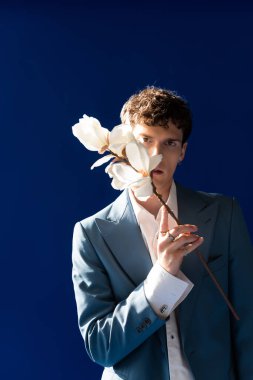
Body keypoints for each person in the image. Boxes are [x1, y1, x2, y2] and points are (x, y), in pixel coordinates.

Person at [72, 87, 253, 380]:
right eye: (145, 140)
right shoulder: (92, 234)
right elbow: (101, 346)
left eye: (169, 143)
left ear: (182, 152)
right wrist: (163, 277)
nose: (156, 155)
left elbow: (247, 318)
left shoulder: (223, 214)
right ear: (124, 144)